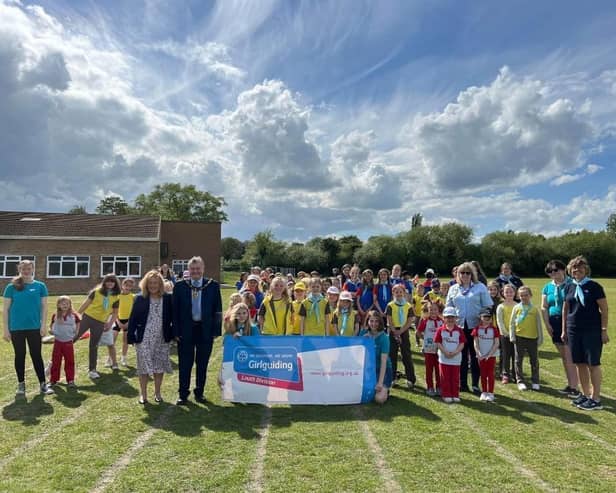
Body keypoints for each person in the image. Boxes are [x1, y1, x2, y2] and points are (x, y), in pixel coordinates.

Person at [172, 256, 222, 405]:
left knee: (202, 364)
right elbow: (175, 311)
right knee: (185, 364)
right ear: (188, 270)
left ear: (203, 269)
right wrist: (175, 331)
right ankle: (183, 394)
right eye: (192, 269)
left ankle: (199, 393)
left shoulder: (212, 286)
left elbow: (218, 311)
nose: (195, 271)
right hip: (186, 330)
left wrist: (215, 331)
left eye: (198, 268)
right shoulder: (180, 286)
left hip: (205, 330)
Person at [562, 256, 609, 411]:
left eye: (580, 267)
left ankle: (596, 399)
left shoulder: (594, 286)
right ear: (570, 271)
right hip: (573, 330)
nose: (577, 270)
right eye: (574, 268)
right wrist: (564, 330)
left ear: (586, 269)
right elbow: (566, 309)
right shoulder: (569, 287)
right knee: (580, 363)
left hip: (592, 331)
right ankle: (585, 394)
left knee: (593, 364)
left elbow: (604, 309)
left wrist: (603, 330)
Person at [2, 260, 54, 395]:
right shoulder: (11, 287)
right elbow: (5, 309)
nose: (26, 271)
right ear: (19, 269)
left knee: (36, 355)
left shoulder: (40, 286)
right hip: (16, 328)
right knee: (20, 355)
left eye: (28, 268)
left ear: (32, 269)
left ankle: (43, 384)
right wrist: (6, 329)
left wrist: (43, 325)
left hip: (34, 327)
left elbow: (44, 307)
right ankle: (21, 385)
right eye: (23, 269)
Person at [445, 262, 493, 393]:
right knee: (461, 356)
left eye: (468, 273)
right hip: (458, 327)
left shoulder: (480, 287)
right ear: (458, 274)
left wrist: (484, 319)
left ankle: (475, 384)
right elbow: (448, 307)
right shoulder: (453, 288)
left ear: (473, 274)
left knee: (476, 355)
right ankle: (463, 384)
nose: (465, 275)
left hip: (476, 327)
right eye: (462, 273)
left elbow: (488, 305)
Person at [128, 270, 173, 404]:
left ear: (161, 284)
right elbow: (133, 318)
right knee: (143, 366)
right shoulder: (140, 298)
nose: (153, 285)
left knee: (159, 367)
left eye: (156, 283)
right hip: (144, 338)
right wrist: (130, 336)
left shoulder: (167, 298)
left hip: (161, 337)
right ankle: (143, 394)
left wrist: (174, 334)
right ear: (146, 284)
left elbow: (173, 318)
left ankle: (157, 393)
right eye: (150, 283)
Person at [541, 260, 578, 396]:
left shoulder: (571, 284)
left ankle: (574, 387)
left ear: (563, 270)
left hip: (568, 322)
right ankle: (570, 384)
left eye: (556, 270)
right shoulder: (547, 287)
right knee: (563, 356)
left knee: (569, 356)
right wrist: (547, 324)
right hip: (554, 322)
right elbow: (544, 306)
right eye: (550, 272)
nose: (553, 274)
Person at [75, 274, 121, 379]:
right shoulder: (96, 292)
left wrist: (110, 323)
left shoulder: (116, 297)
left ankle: (92, 370)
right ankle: (53, 363)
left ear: (115, 284)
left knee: (93, 346)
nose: (110, 283)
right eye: (108, 281)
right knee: (74, 338)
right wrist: (76, 317)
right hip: (87, 318)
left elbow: (115, 313)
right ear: (104, 282)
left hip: (100, 322)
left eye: (112, 281)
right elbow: (85, 305)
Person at [510, 286, 543, 391]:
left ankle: (535, 381)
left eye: (526, 295)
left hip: (532, 338)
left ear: (530, 296)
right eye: (521, 295)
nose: (524, 297)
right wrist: (512, 336)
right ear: (518, 296)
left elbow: (538, 325)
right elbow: (512, 323)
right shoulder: (516, 308)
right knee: (518, 360)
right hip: (519, 338)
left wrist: (540, 338)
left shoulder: (534, 309)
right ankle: (520, 381)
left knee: (534, 360)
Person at [386, 284, 416, 388]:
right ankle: (392, 378)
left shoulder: (408, 306)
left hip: (404, 331)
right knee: (392, 355)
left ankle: (410, 378)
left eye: (400, 292)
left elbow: (409, 320)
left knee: (406, 355)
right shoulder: (390, 305)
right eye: (396, 292)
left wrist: (401, 331)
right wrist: (394, 331)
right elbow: (389, 319)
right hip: (393, 331)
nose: (398, 294)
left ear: (404, 293)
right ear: (393, 293)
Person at [360, 310, 393, 404]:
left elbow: (384, 361)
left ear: (380, 322)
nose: (374, 324)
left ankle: (385, 388)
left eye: (376, 321)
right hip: (368, 369)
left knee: (379, 399)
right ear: (367, 321)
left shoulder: (384, 338)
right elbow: (357, 353)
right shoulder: (363, 333)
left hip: (382, 369)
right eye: (371, 321)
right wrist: (362, 341)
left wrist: (380, 382)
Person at [435, 306, 466, 403]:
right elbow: (438, 342)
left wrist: (455, 352)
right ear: (444, 318)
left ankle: (455, 394)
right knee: (445, 377)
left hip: (456, 358)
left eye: (452, 317)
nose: (450, 319)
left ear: (456, 318)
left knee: (455, 377)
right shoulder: (440, 330)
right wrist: (445, 352)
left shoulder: (459, 330)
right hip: (444, 358)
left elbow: (462, 343)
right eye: (447, 317)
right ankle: (446, 394)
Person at [49, 296, 80, 387]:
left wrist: (76, 333)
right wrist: (51, 330)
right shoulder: (55, 315)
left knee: (69, 361)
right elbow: (51, 326)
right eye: (63, 303)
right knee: (56, 361)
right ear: (58, 305)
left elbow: (78, 323)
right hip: (58, 341)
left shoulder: (74, 316)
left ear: (70, 305)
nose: (65, 305)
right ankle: (53, 379)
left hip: (68, 342)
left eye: (67, 303)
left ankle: (70, 380)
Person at [472, 308, 500, 402]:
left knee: (490, 374)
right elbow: (475, 342)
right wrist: (478, 353)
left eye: (488, 317)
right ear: (480, 317)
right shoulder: (477, 329)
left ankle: (491, 393)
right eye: (484, 316)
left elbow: (496, 343)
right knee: (483, 374)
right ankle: (484, 392)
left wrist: (490, 354)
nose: (486, 318)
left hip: (491, 355)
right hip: (481, 355)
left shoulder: (494, 329)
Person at [417, 300, 443, 396]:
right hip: (428, 350)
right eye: (430, 310)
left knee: (438, 369)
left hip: (439, 350)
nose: (433, 312)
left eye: (435, 310)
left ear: (438, 310)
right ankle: (430, 387)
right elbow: (418, 332)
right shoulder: (425, 321)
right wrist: (425, 339)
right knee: (429, 369)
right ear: (427, 310)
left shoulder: (442, 321)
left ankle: (439, 387)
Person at [112, 277, 135, 367]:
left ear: (132, 287)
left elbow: (134, 311)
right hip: (117, 319)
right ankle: (110, 359)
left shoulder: (133, 297)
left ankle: (123, 358)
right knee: (112, 340)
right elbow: (113, 310)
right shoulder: (117, 296)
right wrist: (118, 321)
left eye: (130, 286)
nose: (127, 287)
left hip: (128, 321)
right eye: (126, 285)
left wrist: (128, 322)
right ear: (122, 285)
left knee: (125, 340)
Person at [496, 284, 517, 384]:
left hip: (516, 334)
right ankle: (505, 374)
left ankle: (515, 374)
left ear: (514, 293)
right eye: (506, 292)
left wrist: (515, 333)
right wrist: (505, 332)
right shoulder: (501, 306)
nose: (509, 294)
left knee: (515, 355)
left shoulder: (517, 305)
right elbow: (499, 321)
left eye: (511, 292)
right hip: (504, 335)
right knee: (505, 354)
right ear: (503, 293)